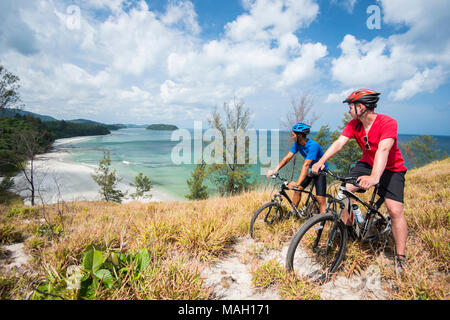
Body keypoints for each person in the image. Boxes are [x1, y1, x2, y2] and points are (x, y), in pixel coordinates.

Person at [311, 88, 408, 273]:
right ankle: (348, 227)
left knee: (395, 210)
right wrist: (321, 162)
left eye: (351, 106)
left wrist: (374, 177)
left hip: (392, 168)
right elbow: (339, 143)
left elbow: (384, 150)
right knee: (344, 191)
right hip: (367, 163)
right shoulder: (353, 125)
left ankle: (400, 257)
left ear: (361, 107)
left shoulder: (387, 122)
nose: (348, 110)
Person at [267, 123, 329, 214]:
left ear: (299, 135)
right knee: (298, 190)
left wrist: (297, 183)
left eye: (293, 135)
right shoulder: (297, 144)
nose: (292, 136)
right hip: (311, 170)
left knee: (320, 199)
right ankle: (294, 212)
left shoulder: (313, 146)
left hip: (320, 171)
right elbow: (287, 158)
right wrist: (275, 170)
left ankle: (324, 220)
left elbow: (306, 165)